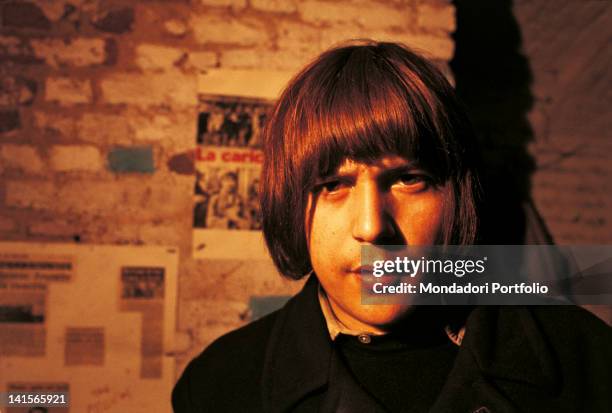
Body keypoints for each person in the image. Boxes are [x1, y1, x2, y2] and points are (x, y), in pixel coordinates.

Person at [172, 41, 611, 412]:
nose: (371, 226)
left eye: (408, 180)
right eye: (332, 185)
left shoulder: (585, 360)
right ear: (290, 205)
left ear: (455, 195)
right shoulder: (219, 386)